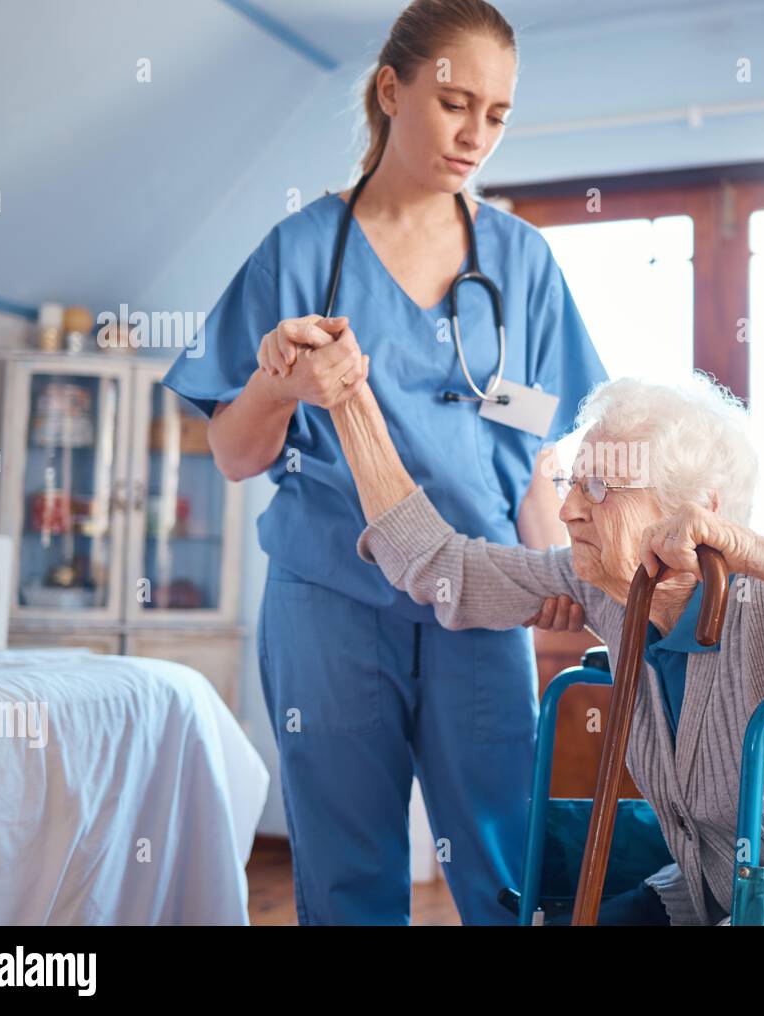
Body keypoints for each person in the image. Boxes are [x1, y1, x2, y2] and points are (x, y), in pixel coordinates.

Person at [161, 0, 606, 925]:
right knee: (346, 868)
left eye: (497, 113)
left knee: (501, 862)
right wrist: (282, 384)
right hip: (331, 593)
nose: (475, 134)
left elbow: (531, 458)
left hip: (479, 595)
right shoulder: (299, 252)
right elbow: (235, 454)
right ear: (391, 89)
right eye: (455, 102)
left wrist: (560, 577)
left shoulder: (520, 262)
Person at [323, 370, 764, 925]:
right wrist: (350, 402)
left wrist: (758, 552)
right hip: (727, 906)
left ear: (698, 506)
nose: (566, 511)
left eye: (599, 488)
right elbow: (445, 569)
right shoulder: (607, 595)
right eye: (571, 484)